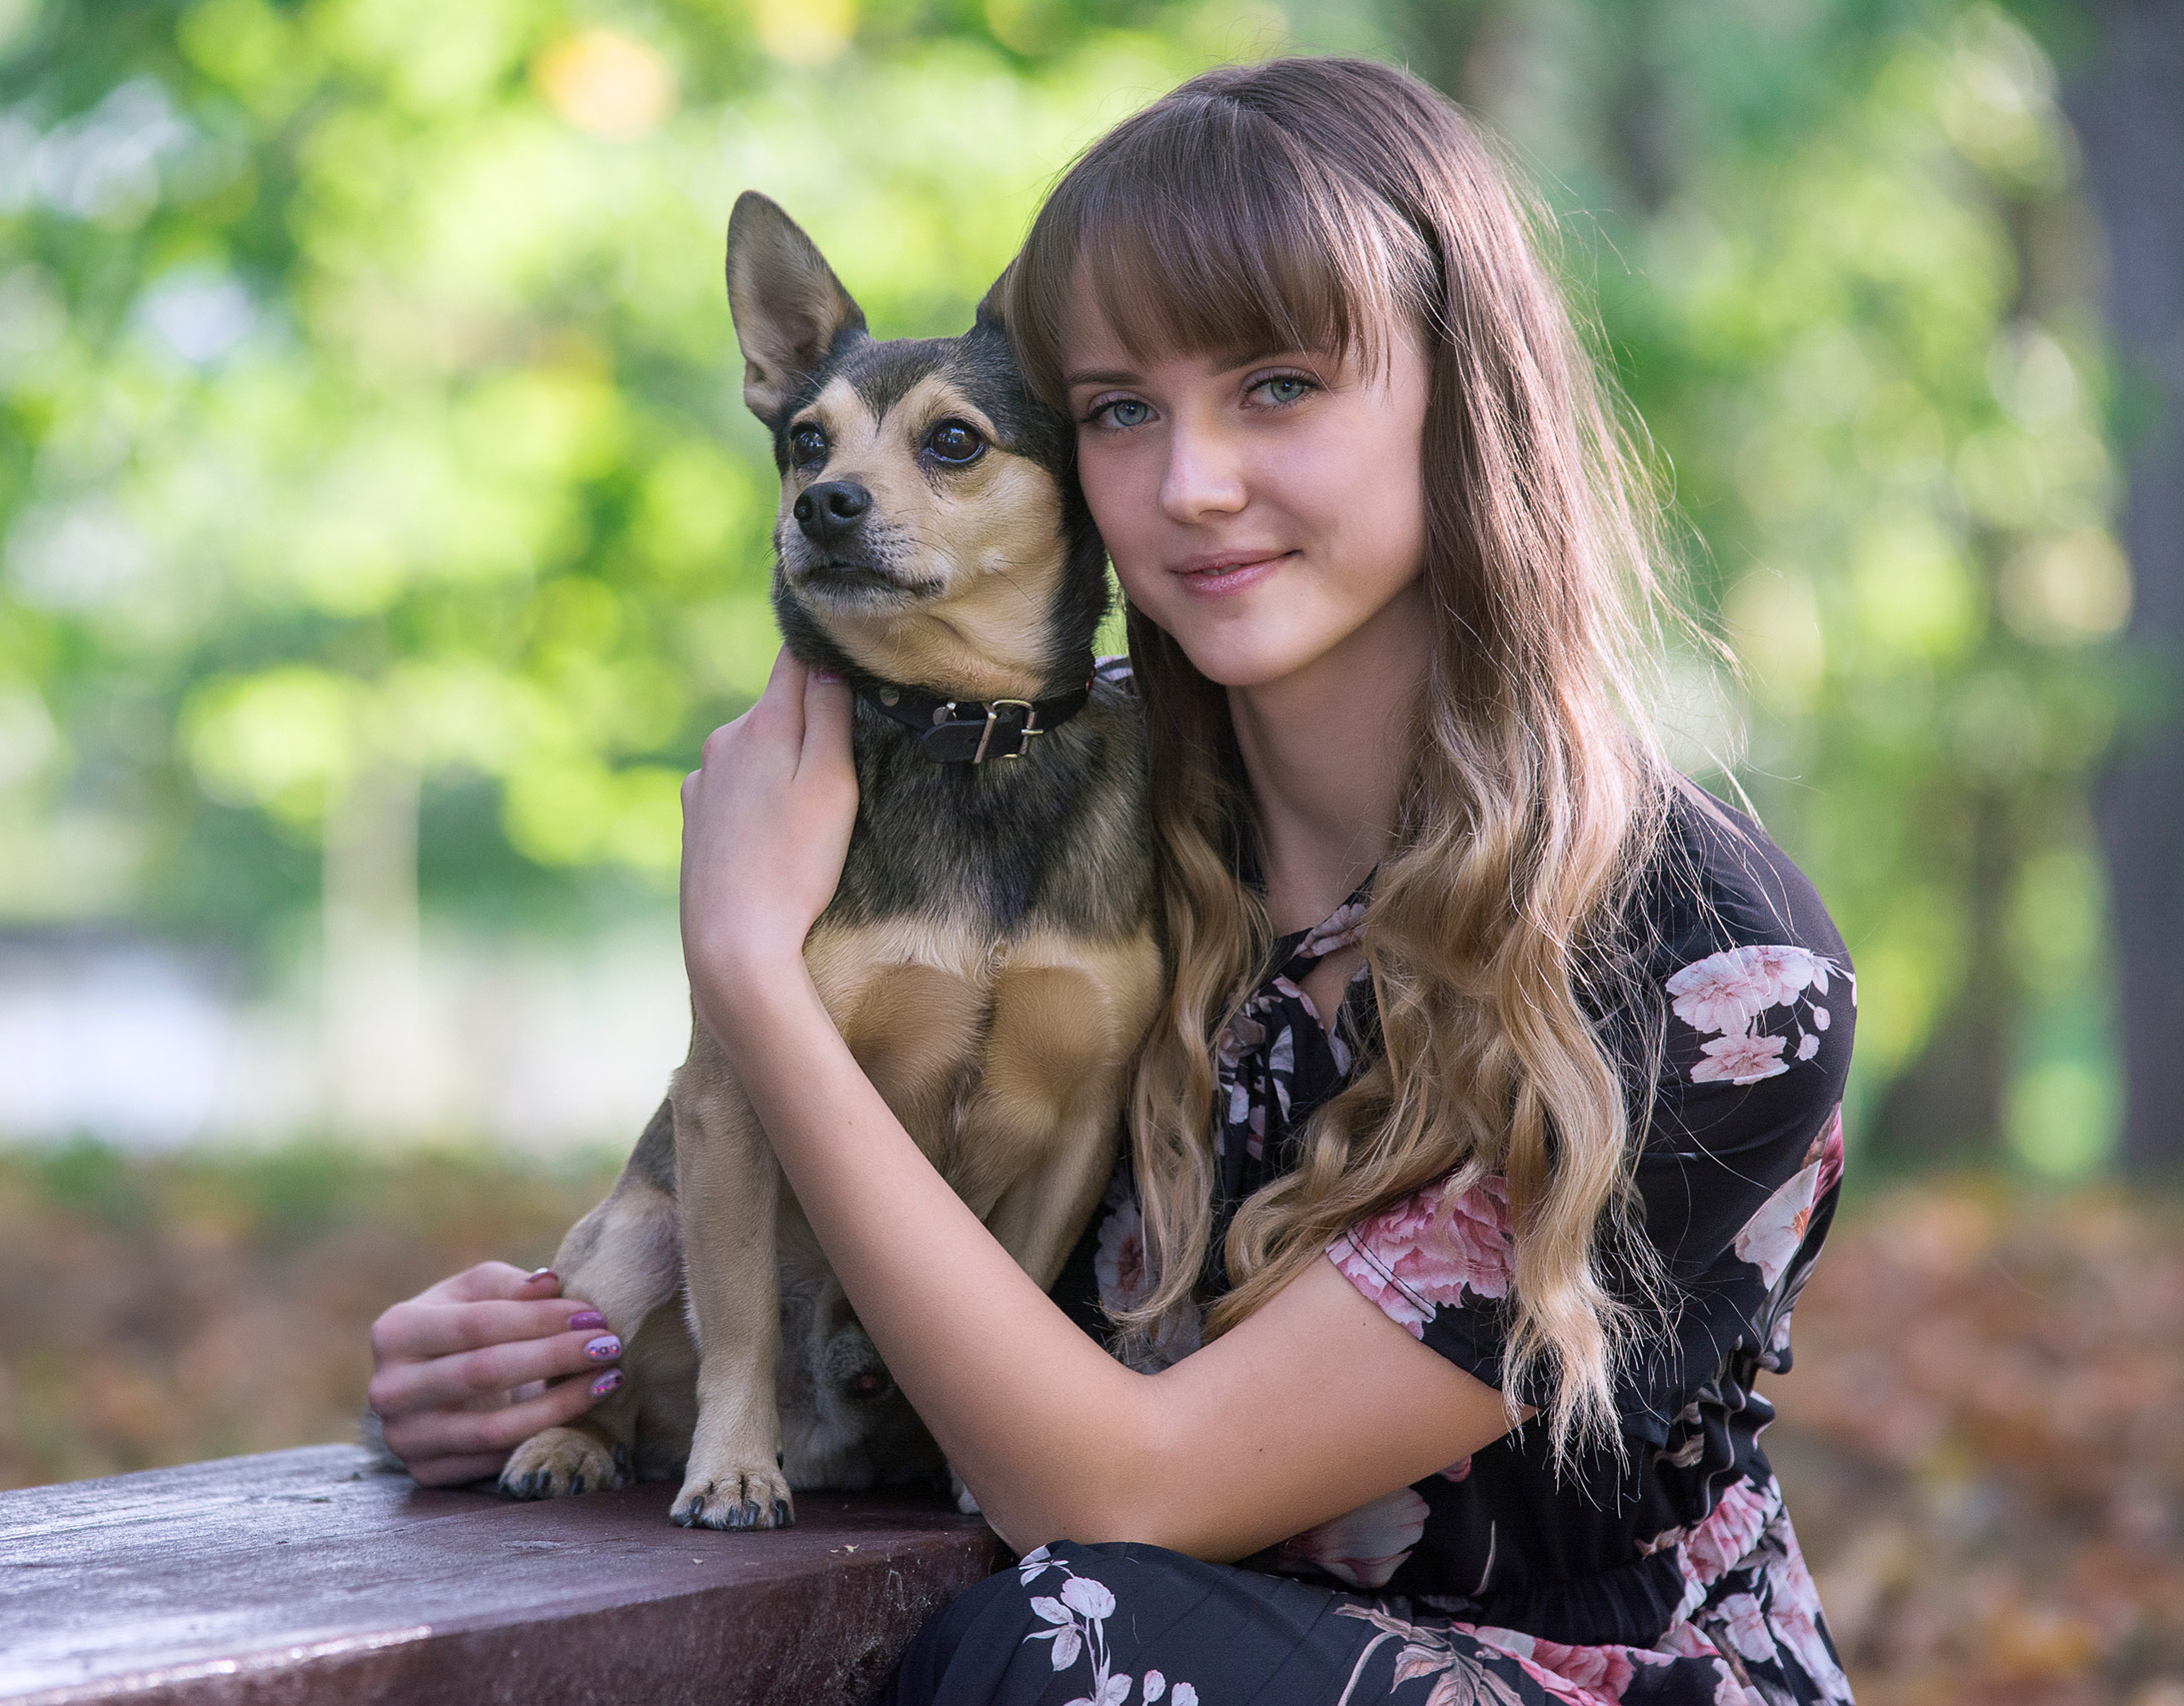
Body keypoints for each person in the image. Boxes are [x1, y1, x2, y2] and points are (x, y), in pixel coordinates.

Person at [366, 57, 1856, 1706]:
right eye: (1120, 411)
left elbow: (1125, 1499)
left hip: (1561, 1677)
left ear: (1464, 394)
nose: (1191, 483)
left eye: (1278, 385)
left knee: (1066, 1645)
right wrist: (534, 1368)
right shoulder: (1072, 807)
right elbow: (820, 1230)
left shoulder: (1710, 977)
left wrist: (741, 955)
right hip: (1066, 1634)